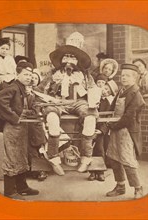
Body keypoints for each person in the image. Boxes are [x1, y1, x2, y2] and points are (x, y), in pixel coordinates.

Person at [40, 32, 99, 174]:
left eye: (73, 57)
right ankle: (54, 159)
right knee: (52, 120)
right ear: (61, 59)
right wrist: (46, 96)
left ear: (78, 61)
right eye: (66, 56)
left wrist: (95, 96)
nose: (69, 60)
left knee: (90, 119)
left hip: (79, 102)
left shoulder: (85, 75)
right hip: (58, 102)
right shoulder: (53, 74)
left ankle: (86, 158)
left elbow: (93, 89)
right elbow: (40, 89)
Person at [0, 61, 40, 200]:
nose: (29, 77)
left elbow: (23, 107)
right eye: (25, 74)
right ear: (17, 74)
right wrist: (14, 117)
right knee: (12, 158)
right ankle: (9, 192)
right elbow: (0, 101)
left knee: (21, 157)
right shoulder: (12, 87)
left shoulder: (24, 89)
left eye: (30, 75)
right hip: (13, 128)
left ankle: (22, 187)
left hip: (22, 128)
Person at [105, 63, 145, 199]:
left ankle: (138, 188)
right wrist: (104, 118)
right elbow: (112, 108)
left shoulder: (136, 95)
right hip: (116, 129)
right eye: (122, 75)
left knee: (127, 160)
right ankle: (120, 186)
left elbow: (129, 117)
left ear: (134, 78)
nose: (124, 78)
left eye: (127, 76)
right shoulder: (121, 91)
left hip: (126, 131)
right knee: (114, 158)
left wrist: (112, 125)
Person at [88, 78, 118, 181]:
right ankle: (92, 172)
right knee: (89, 149)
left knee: (100, 149)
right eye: (104, 88)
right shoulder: (92, 98)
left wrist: (101, 130)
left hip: (100, 130)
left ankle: (100, 171)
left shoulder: (107, 103)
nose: (104, 91)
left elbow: (108, 119)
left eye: (107, 91)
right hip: (90, 127)